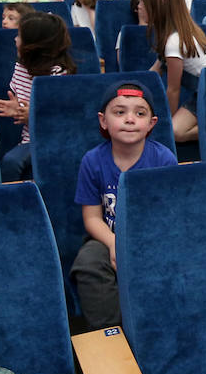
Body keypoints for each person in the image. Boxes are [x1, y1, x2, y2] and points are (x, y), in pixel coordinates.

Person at [70, 83, 178, 329]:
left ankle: (152, 329)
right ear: (103, 121)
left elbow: (168, 217)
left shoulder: (164, 160)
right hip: (107, 237)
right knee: (88, 262)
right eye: (119, 112)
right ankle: (112, 334)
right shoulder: (92, 161)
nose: (130, 119)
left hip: (152, 238)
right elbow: (92, 218)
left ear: (151, 123)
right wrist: (113, 244)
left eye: (140, 113)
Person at [0, 13, 75, 181]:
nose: (15, 39)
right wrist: (18, 110)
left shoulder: (59, 75)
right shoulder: (21, 68)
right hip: (31, 138)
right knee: (10, 162)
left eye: (20, 36)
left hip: (54, 139)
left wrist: (32, 115)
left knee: (12, 161)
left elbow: (62, 121)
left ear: (34, 46)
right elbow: (21, 103)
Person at [141, 0, 206, 142]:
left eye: (143, 0)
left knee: (175, 131)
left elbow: (173, 90)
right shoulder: (172, 32)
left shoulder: (174, 41)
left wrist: (167, 124)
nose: (139, 5)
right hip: (202, 90)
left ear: (159, 3)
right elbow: (155, 70)